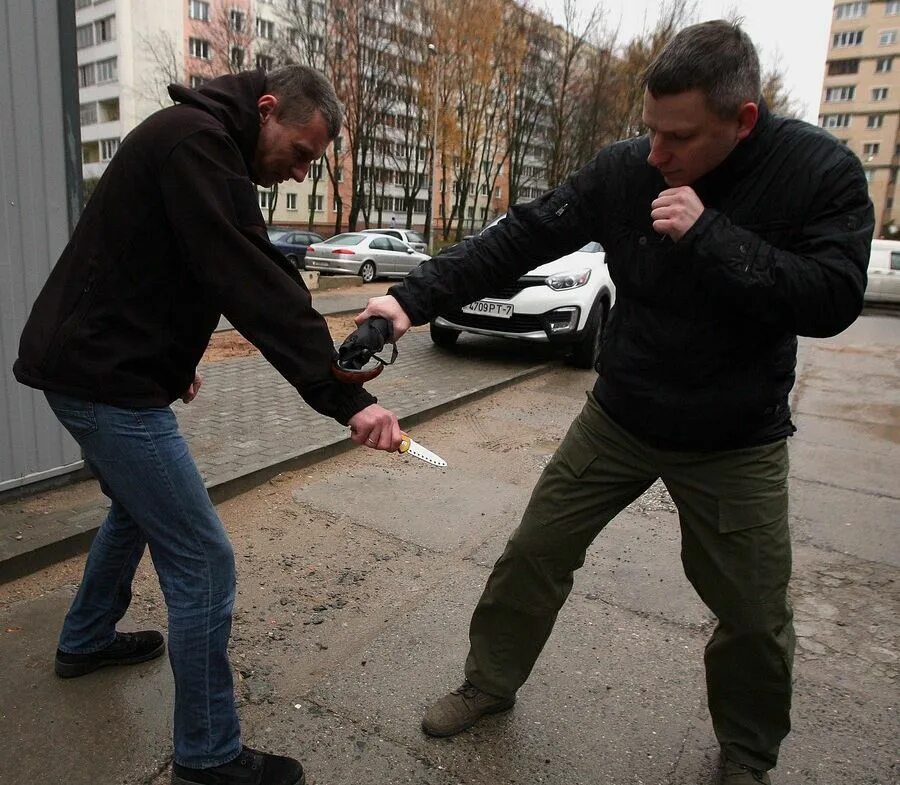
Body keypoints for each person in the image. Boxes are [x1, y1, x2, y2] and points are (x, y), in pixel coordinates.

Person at [355, 21, 873, 785]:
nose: (657, 155)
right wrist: (408, 300)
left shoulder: (817, 172)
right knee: (533, 552)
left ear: (744, 121)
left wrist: (712, 234)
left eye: (680, 138)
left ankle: (747, 753)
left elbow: (833, 298)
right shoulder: (629, 170)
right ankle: (489, 683)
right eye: (650, 131)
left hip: (736, 435)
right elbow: (522, 235)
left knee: (755, 616)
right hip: (622, 414)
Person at [14, 66, 401, 785]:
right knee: (203, 560)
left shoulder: (198, 142)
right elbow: (248, 276)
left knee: (135, 511)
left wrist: (171, 361)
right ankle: (207, 753)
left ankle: (87, 638)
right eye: (302, 151)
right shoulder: (196, 144)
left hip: (102, 370)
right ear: (266, 109)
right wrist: (348, 396)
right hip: (103, 384)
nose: (298, 170)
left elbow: (165, 266)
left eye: (312, 162)